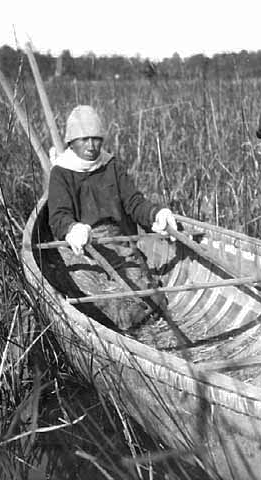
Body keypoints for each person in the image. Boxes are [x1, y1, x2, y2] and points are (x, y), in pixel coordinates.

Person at [48, 105, 177, 330]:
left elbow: (134, 202)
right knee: (106, 303)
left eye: (96, 139)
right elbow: (58, 216)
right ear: (71, 142)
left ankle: (136, 319)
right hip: (84, 248)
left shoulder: (110, 165)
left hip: (118, 241)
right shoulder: (61, 172)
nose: (91, 146)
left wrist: (156, 214)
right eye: (83, 139)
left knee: (151, 299)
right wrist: (72, 229)